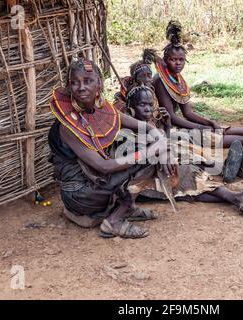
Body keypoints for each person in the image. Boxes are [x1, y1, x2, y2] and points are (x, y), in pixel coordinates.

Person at [48, 59, 176, 239]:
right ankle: (115, 220)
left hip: (93, 184)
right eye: (75, 82)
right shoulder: (67, 126)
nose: (81, 87)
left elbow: (146, 127)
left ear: (99, 83)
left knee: (137, 145)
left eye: (88, 81)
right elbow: (103, 166)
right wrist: (155, 151)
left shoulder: (102, 109)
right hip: (79, 194)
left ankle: (126, 207)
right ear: (69, 87)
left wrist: (164, 150)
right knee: (144, 155)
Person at [126, 84, 243, 214]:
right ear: (130, 109)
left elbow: (162, 145)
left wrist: (167, 127)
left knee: (189, 187)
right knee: (187, 175)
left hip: (156, 174)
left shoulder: (147, 124)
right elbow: (146, 156)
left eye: (150, 105)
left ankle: (239, 197)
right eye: (142, 105)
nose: (147, 109)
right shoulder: (128, 130)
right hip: (140, 183)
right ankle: (238, 195)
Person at [152, 21, 243, 148]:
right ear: (165, 60)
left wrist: (209, 123)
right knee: (207, 136)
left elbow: (187, 113)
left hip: (173, 125)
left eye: (181, 60)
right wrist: (201, 127)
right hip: (163, 129)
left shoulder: (177, 79)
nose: (178, 63)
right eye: (173, 60)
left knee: (215, 128)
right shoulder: (161, 81)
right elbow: (172, 118)